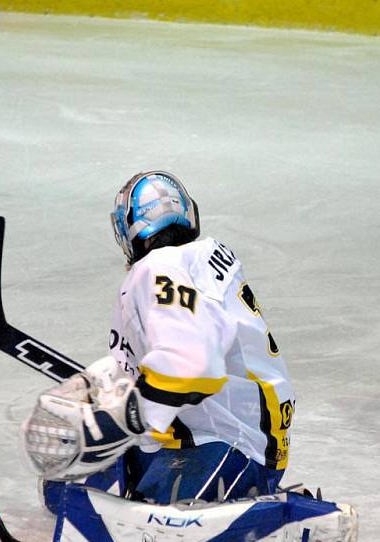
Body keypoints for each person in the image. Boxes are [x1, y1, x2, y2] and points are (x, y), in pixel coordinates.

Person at [25, 170, 296, 506]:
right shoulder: (195, 262)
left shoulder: (158, 268)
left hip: (230, 443)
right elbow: (172, 353)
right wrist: (100, 380)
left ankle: (267, 509)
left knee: (143, 533)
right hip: (225, 434)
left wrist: (124, 417)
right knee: (67, 493)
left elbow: (192, 367)